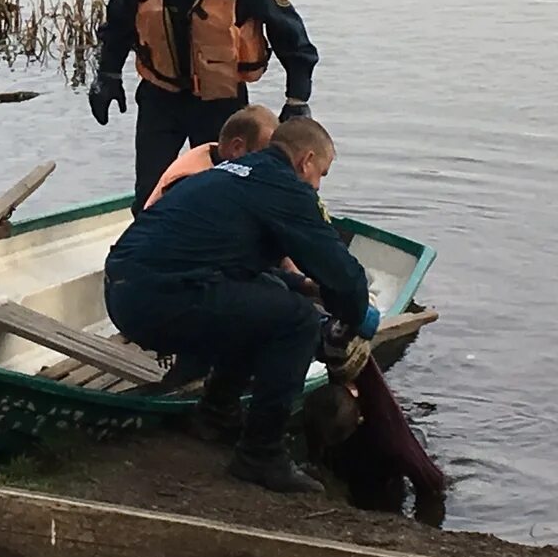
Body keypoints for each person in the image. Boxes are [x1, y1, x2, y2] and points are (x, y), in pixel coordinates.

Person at [102, 117, 378, 493]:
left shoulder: (234, 173)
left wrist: (304, 286)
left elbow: (242, 266)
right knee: (295, 322)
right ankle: (260, 455)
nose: (317, 186)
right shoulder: (284, 188)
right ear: (306, 161)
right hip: (158, 298)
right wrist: (355, 319)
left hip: (125, 290)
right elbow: (344, 276)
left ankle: (215, 417)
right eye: (322, 174)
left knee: (265, 297)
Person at [88, 0, 319, 211]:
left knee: (225, 191)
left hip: (220, 102)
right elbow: (120, 18)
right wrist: (109, 74)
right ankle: (148, 251)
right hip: (161, 97)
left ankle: (222, 254)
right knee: (150, 191)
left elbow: (290, 35)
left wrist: (297, 98)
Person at [146, 103, 278, 206]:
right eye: (264, 155)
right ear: (237, 147)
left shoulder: (214, 154)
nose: (269, 164)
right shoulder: (190, 182)